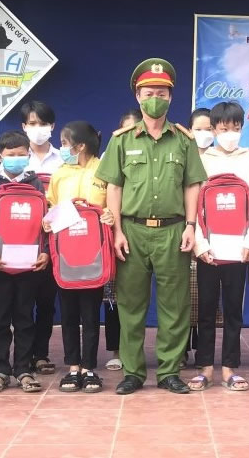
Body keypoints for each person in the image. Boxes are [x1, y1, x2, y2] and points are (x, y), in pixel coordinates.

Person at [96, 57, 207, 395]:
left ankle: (170, 371)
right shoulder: (121, 140)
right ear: (138, 96)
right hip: (132, 231)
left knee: (175, 306)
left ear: (170, 97)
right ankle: (133, 372)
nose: (155, 98)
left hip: (173, 231)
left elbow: (192, 185)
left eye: (161, 93)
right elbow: (114, 187)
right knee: (131, 306)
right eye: (148, 93)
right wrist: (117, 230)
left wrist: (191, 226)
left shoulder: (184, 140)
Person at [189, 101, 249, 392]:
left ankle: (230, 368)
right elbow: (194, 204)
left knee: (234, 310)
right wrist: (199, 244)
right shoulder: (203, 159)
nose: (230, 133)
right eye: (224, 128)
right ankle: (205, 368)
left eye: (236, 128)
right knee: (206, 310)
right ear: (214, 129)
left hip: (239, 250)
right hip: (209, 249)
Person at [46, 121, 111, 392]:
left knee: (91, 314)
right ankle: (73, 367)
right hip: (67, 254)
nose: (62, 148)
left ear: (80, 145)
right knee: (69, 313)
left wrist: (110, 216)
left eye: (64, 143)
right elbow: (51, 205)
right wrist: (47, 220)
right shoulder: (59, 173)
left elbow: (113, 204)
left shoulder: (104, 170)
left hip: (95, 253)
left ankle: (89, 368)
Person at [0, 131, 47, 393]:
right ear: (0, 157)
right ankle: (0, 369)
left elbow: (44, 221)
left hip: (29, 264)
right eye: (11, 155)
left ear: (28, 156)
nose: (17, 159)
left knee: (24, 317)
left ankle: (23, 369)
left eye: (22, 155)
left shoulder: (35, 183)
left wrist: (45, 251)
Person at [21, 100, 62, 376]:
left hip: (53, 240)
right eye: (33, 123)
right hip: (20, 239)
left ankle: (41, 354)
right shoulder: (15, 157)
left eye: (43, 123)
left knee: (46, 302)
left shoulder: (63, 159)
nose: (38, 129)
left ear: (52, 126)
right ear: (24, 127)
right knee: (22, 302)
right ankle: (22, 355)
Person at [103, 109, 141, 372]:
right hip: (119, 228)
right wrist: (114, 226)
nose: (131, 133)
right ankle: (117, 351)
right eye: (126, 128)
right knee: (116, 295)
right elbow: (107, 189)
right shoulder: (113, 151)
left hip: (152, 229)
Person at [184, 107, 214, 368]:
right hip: (185, 230)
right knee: (182, 295)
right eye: (198, 129)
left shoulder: (220, 159)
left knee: (207, 298)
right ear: (189, 131)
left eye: (209, 129)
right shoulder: (183, 156)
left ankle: (204, 352)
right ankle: (181, 349)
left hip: (213, 236)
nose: (204, 134)